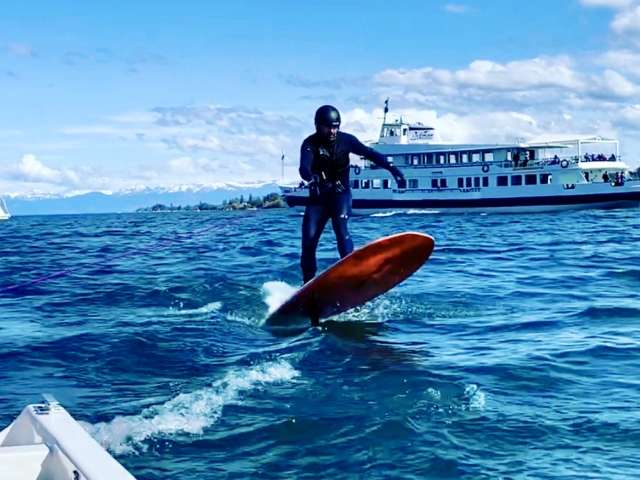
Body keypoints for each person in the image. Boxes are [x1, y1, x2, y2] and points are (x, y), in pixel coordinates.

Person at [298, 105, 405, 285]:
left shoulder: (346, 140)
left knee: (340, 227)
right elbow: (304, 168)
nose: (332, 131)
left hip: (340, 195)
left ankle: (352, 277)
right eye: (328, 127)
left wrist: (393, 170)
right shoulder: (309, 144)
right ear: (317, 125)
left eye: (336, 127)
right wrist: (312, 177)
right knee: (308, 240)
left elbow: (370, 154)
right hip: (318, 199)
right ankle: (308, 284)